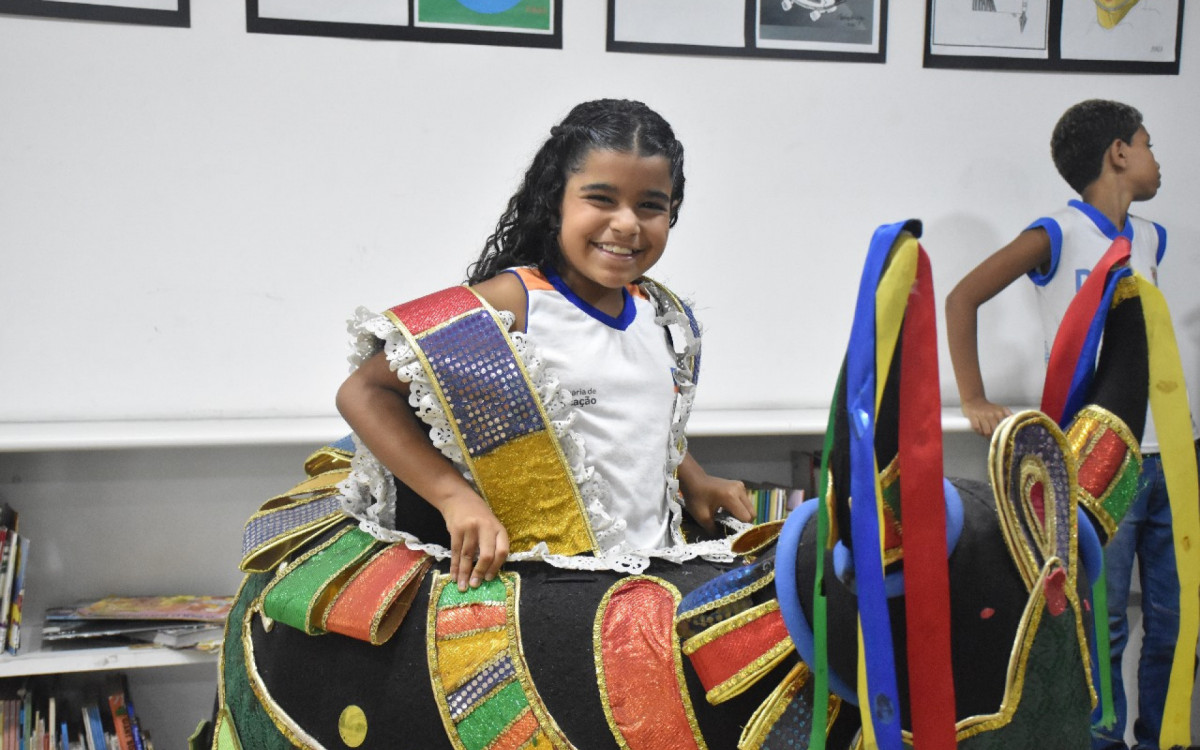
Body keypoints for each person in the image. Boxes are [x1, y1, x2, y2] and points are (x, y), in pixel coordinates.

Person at [335, 98, 755, 594]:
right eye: (601, 198)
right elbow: (363, 392)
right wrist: (454, 499)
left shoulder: (664, 314)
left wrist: (696, 479)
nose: (627, 223)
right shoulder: (514, 302)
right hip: (540, 590)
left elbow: (634, 423)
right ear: (555, 200)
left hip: (654, 576)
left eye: (650, 205)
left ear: (673, 212)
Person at [945, 99, 1192, 750]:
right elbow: (962, 296)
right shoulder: (1057, 234)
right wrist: (973, 397)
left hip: (1169, 453)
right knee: (1096, 621)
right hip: (1093, 463)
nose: (1155, 159)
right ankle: (1097, 742)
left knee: (1173, 620)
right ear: (1119, 152)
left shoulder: (1150, 239)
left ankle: (1162, 737)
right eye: (1148, 144)